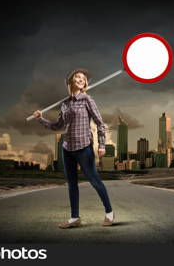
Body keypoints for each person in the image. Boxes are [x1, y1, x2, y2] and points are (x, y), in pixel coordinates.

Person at [33, 68, 114, 228]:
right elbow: (57, 126)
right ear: (71, 81)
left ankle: (109, 213)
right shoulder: (64, 104)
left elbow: (100, 123)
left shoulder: (87, 100)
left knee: (94, 181)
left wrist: (102, 144)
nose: (81, 79)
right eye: (77, 76)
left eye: (83, 78)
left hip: (84, 147)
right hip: (67, 148)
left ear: (85, 84)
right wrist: (40, 119)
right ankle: (74, 218)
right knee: (72, 184)